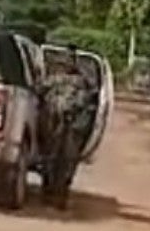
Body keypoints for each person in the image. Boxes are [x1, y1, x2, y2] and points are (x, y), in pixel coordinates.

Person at [40, 45, 96, 208]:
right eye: (66, 59)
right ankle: (49, 192)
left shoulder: (82, 82)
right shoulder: (54, 79)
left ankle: (61, 195)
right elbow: (40, 92)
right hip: (54, 124)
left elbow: (85, 101)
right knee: (50, 159)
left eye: (70, 59)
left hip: (72, 127)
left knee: (67, 162)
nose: (67, 62)